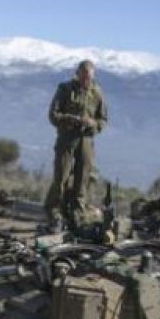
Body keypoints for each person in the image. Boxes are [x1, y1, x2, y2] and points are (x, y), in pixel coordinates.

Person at [44, 59, 108, 232]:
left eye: (89, 77)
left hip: (86, 140)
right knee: (61, 176)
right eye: (84, 76)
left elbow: (103, 120)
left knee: (83, 178)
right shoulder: (65, 89)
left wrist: (92, 124)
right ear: (78, 73)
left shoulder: (97, 93)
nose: (86, 80)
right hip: (66, 137)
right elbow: (53, 115)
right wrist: (71, 119)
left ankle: (77, 214)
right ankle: (54, 212)